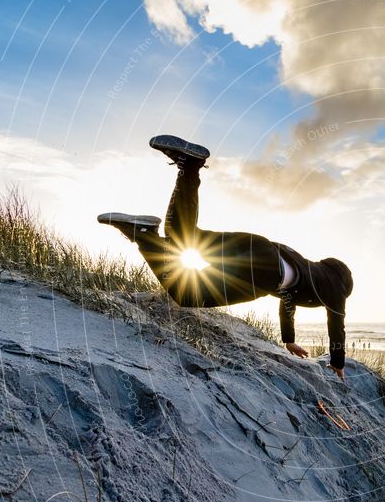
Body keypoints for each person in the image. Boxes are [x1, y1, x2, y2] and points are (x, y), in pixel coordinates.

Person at [97, 135, 353, 380]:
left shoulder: (308, 268)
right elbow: (336, 327)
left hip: (259, 246)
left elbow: (287, 304)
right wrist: (337, 363)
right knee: (186, 293)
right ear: (343, 281)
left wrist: (288, 340)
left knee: (184, 237)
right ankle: (145, 232)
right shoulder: (335, 288)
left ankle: (187, 169)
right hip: (263, 275)